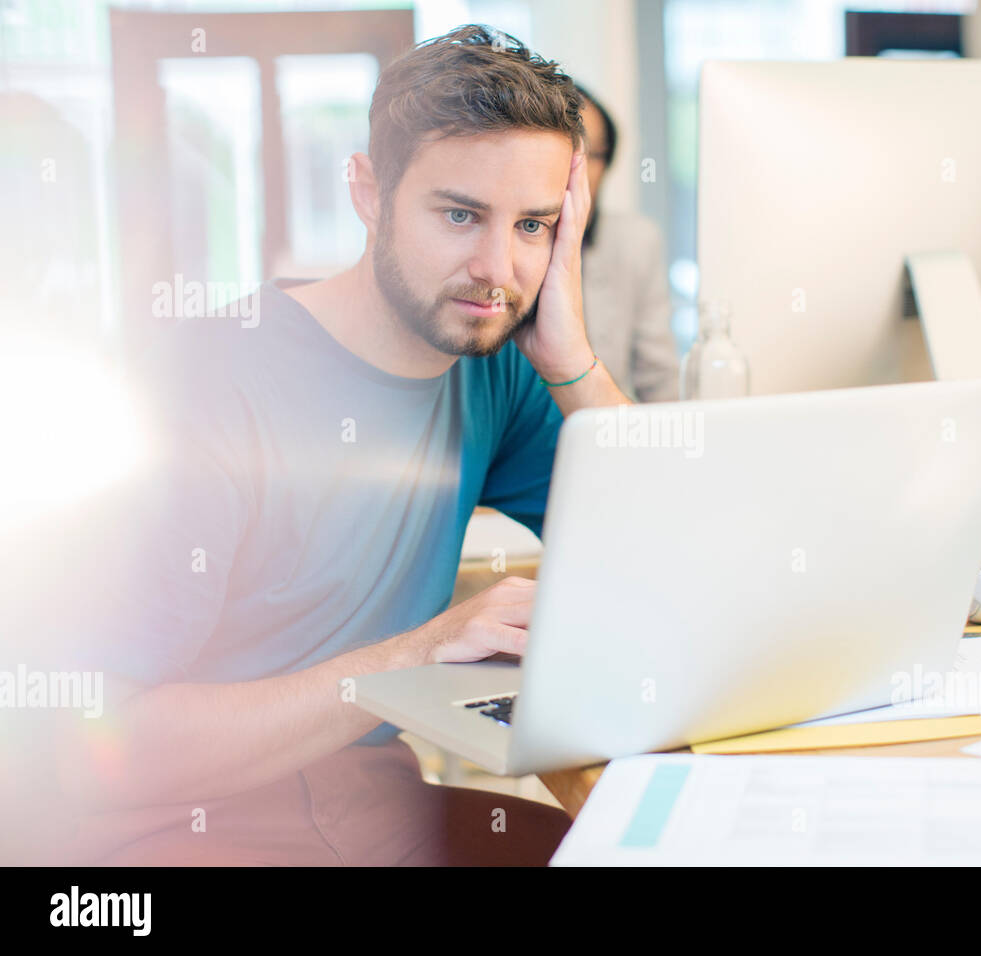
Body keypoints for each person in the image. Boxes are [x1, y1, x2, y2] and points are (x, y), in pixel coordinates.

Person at [49, 24, 631, 866]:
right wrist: (417, 654)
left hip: (368, 802)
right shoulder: (204, 385)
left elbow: (667, 543)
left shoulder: (495, 367)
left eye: (533, 225)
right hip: (178, 830)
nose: (497, 267)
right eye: (460, 214)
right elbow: (103, 756)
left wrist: (573, 362)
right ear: (368, 191)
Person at [574, 84, 680, 402]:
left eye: (594, 156)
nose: (579, 172)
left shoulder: (637, 241)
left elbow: (659, 378)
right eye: (569, 153)